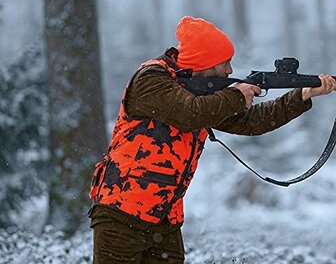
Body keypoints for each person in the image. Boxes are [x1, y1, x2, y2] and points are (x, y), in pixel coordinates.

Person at [88, 16, 336, 263]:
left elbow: (252, 121)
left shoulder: (204, 95)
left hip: (164, 219)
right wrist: (237, 96)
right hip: (121, 213)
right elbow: (190, 113)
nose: (229, 70)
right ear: (203, 62)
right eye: (224, 63)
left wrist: (301, 96)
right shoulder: (151, 80)